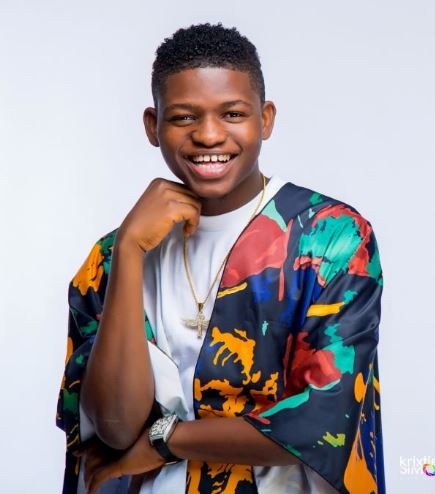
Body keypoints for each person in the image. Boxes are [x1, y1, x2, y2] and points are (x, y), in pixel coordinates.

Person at [56, 23, 385, 494]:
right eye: (184, 117)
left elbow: (321, 423)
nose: (209, 135)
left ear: (265, 119)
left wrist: (166, 440)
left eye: (232, 113)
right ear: (152, 126)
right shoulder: (110, 258)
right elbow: (113, 428)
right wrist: (129, 251)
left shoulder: (329, 238)